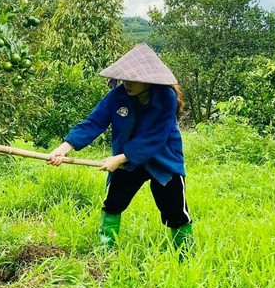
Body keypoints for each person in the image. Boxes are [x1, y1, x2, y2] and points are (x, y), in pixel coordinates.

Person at [47, 43, 192, 252]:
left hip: (163, 159)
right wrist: (64, 147)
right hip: (128, 162)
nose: (127, 83)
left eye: (133, 79)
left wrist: (121, 157)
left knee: (176, 212)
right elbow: (95, 122)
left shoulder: (166, 98)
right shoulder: (117, 96)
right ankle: (105, 253)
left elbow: (156, 137)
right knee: (113, 204)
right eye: (125, 78)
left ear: (149, 80)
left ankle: (185, 256)